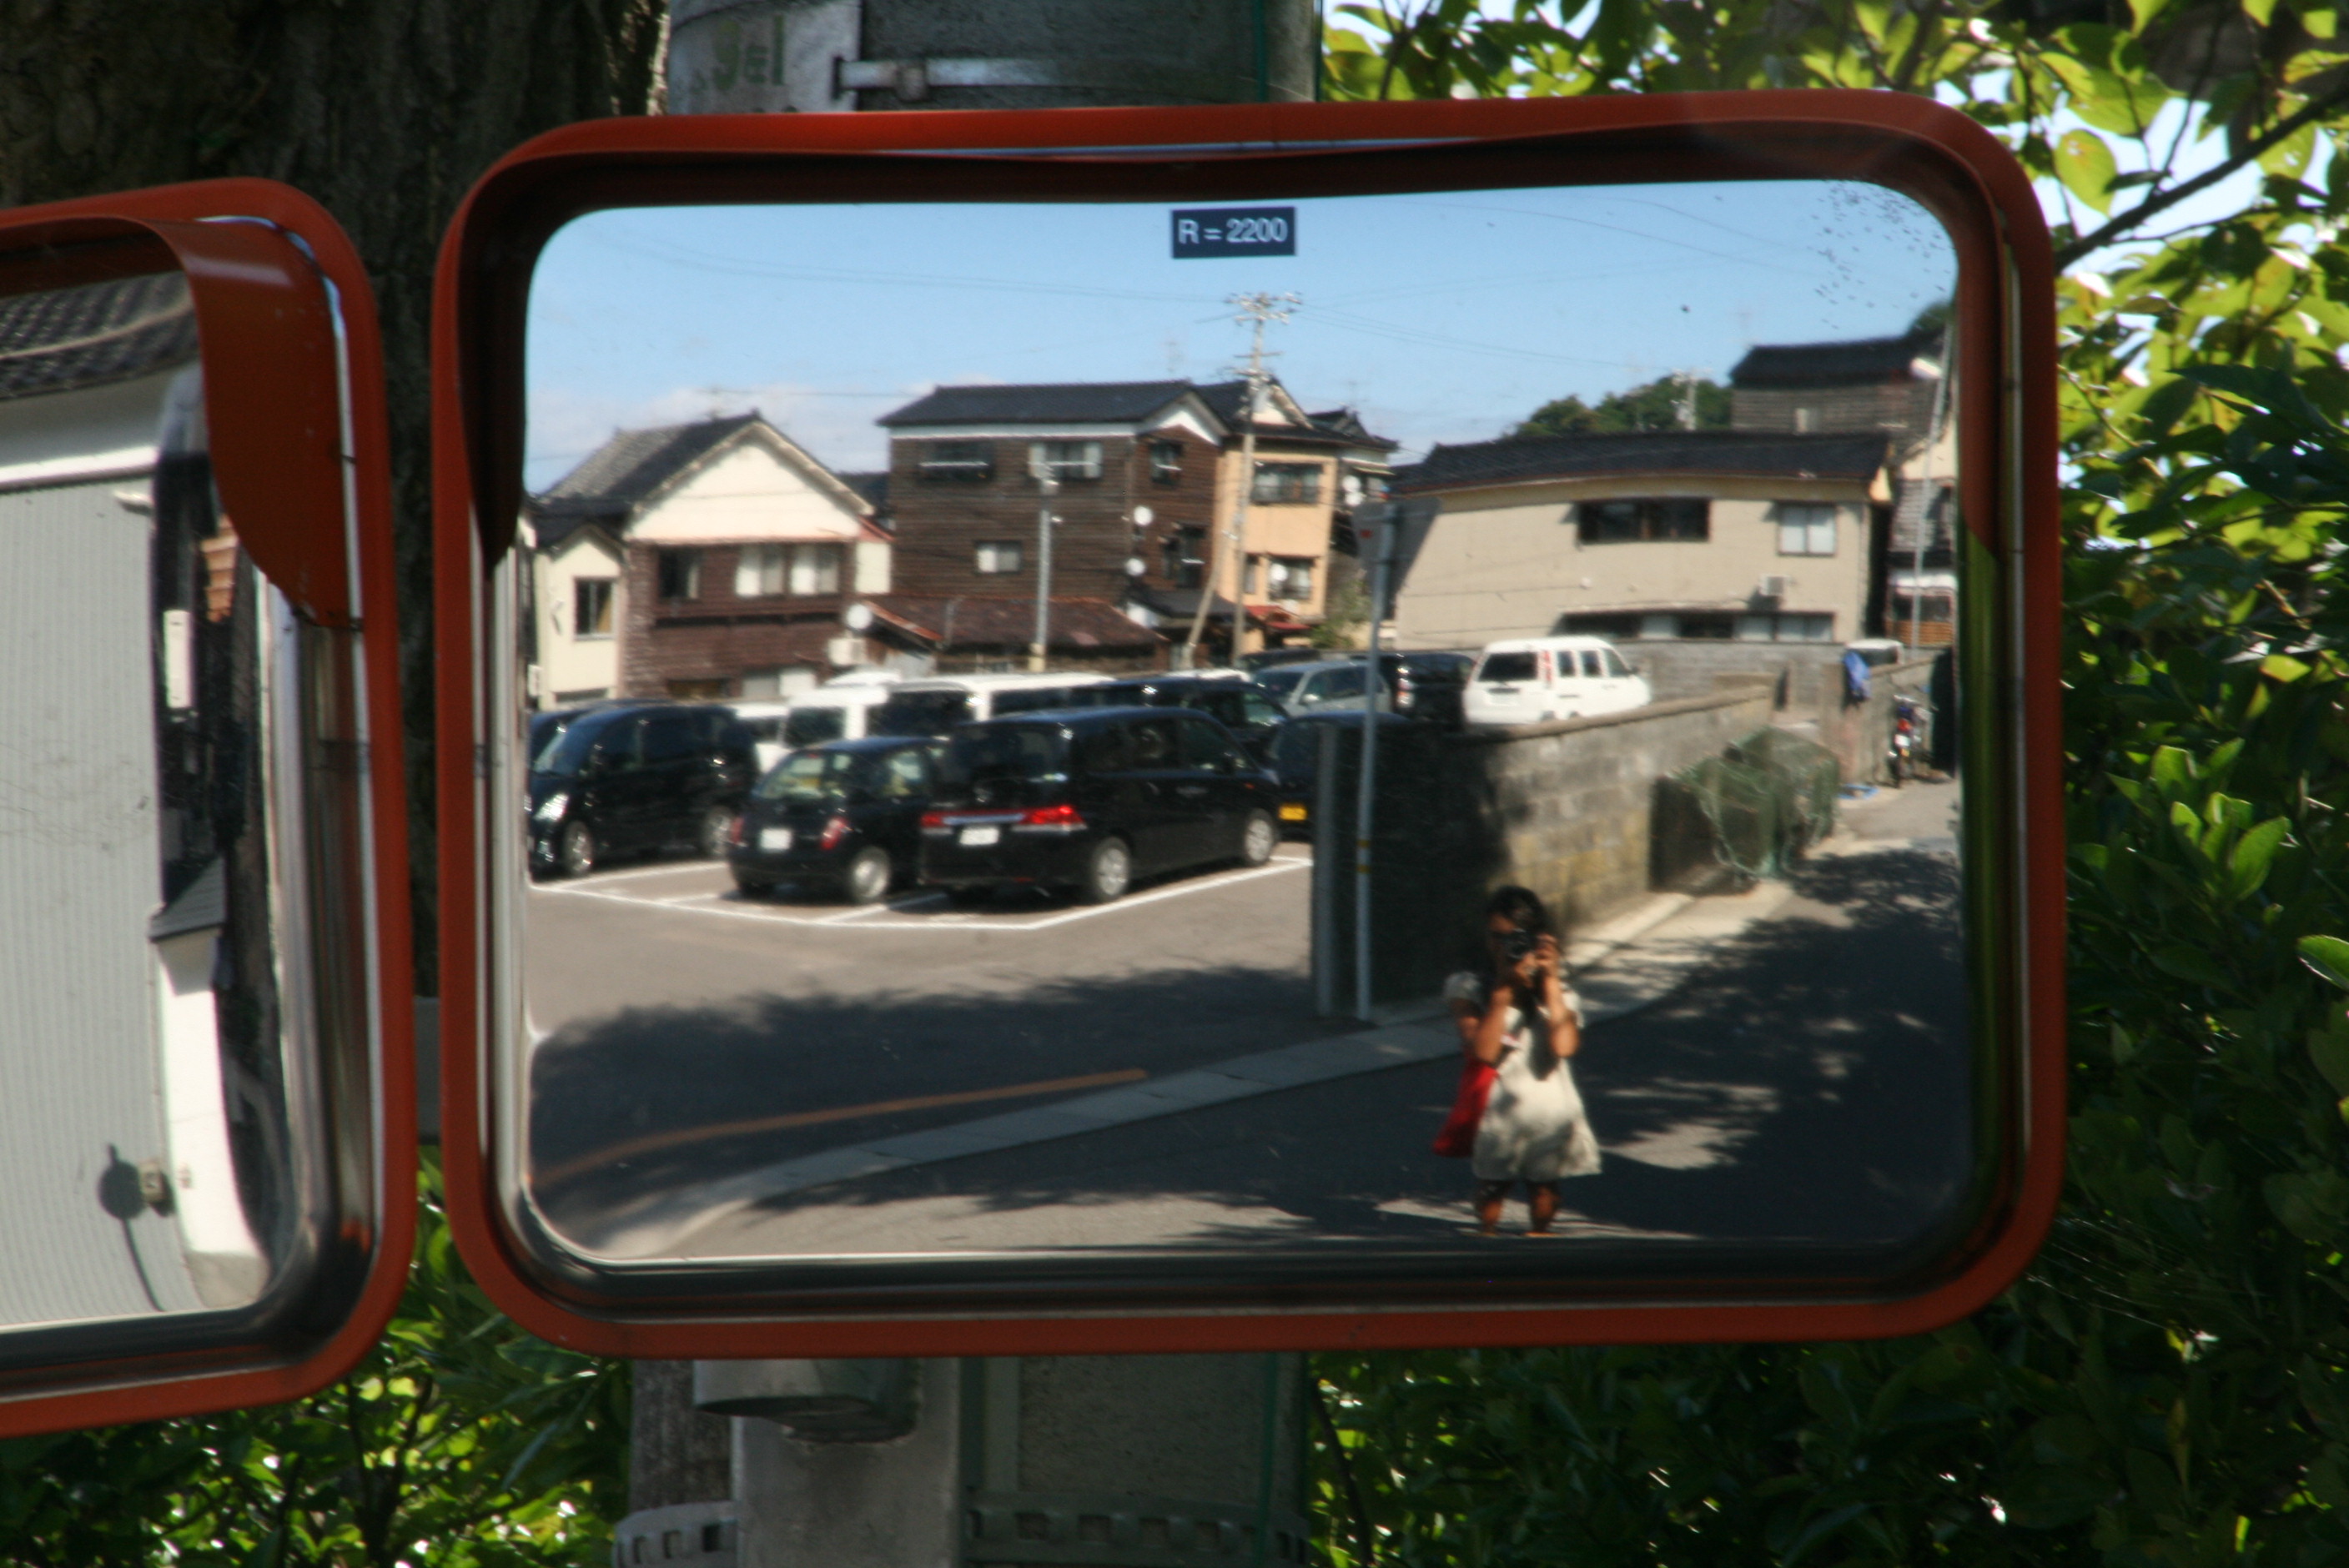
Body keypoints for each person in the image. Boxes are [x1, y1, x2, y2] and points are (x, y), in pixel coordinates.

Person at [1441, 885, 1600, 1234]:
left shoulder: (1558, 988)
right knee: (1491, 1190)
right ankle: (1488, 1247)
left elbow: (1565, 1047)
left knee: (1544, 1192)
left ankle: (1538, 1244)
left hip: (1550, 1109)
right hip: (1498, 1110)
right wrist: (1502, 992)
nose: (1503, 946)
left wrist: (1551, 982)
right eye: (1496, 937)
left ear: (1537, 939)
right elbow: (1483, 1052)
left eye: (1515, 938)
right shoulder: (1469, 986)